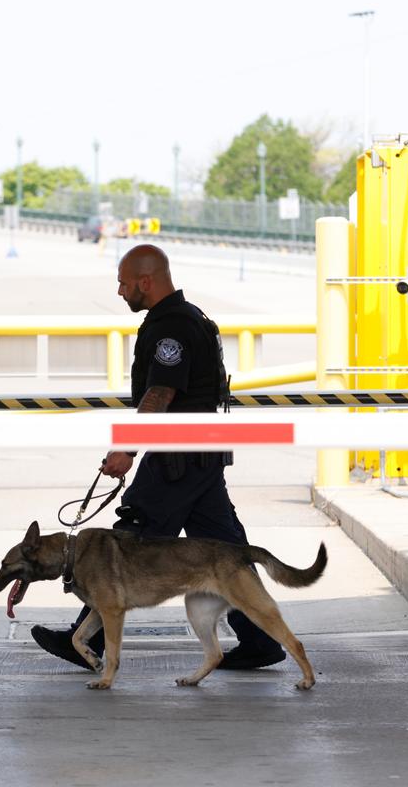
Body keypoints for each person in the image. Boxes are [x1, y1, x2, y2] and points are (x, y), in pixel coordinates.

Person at [30, 244, 286, 671]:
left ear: (145, 282)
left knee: (127, 542)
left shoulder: (172, 328)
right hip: (200, 457)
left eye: (123, 283)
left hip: (178, 459)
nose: (119, 291)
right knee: (227, 552)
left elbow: (161, 392)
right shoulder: (189, 318)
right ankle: (260, 639)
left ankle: (82, 639)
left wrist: (126, 448)